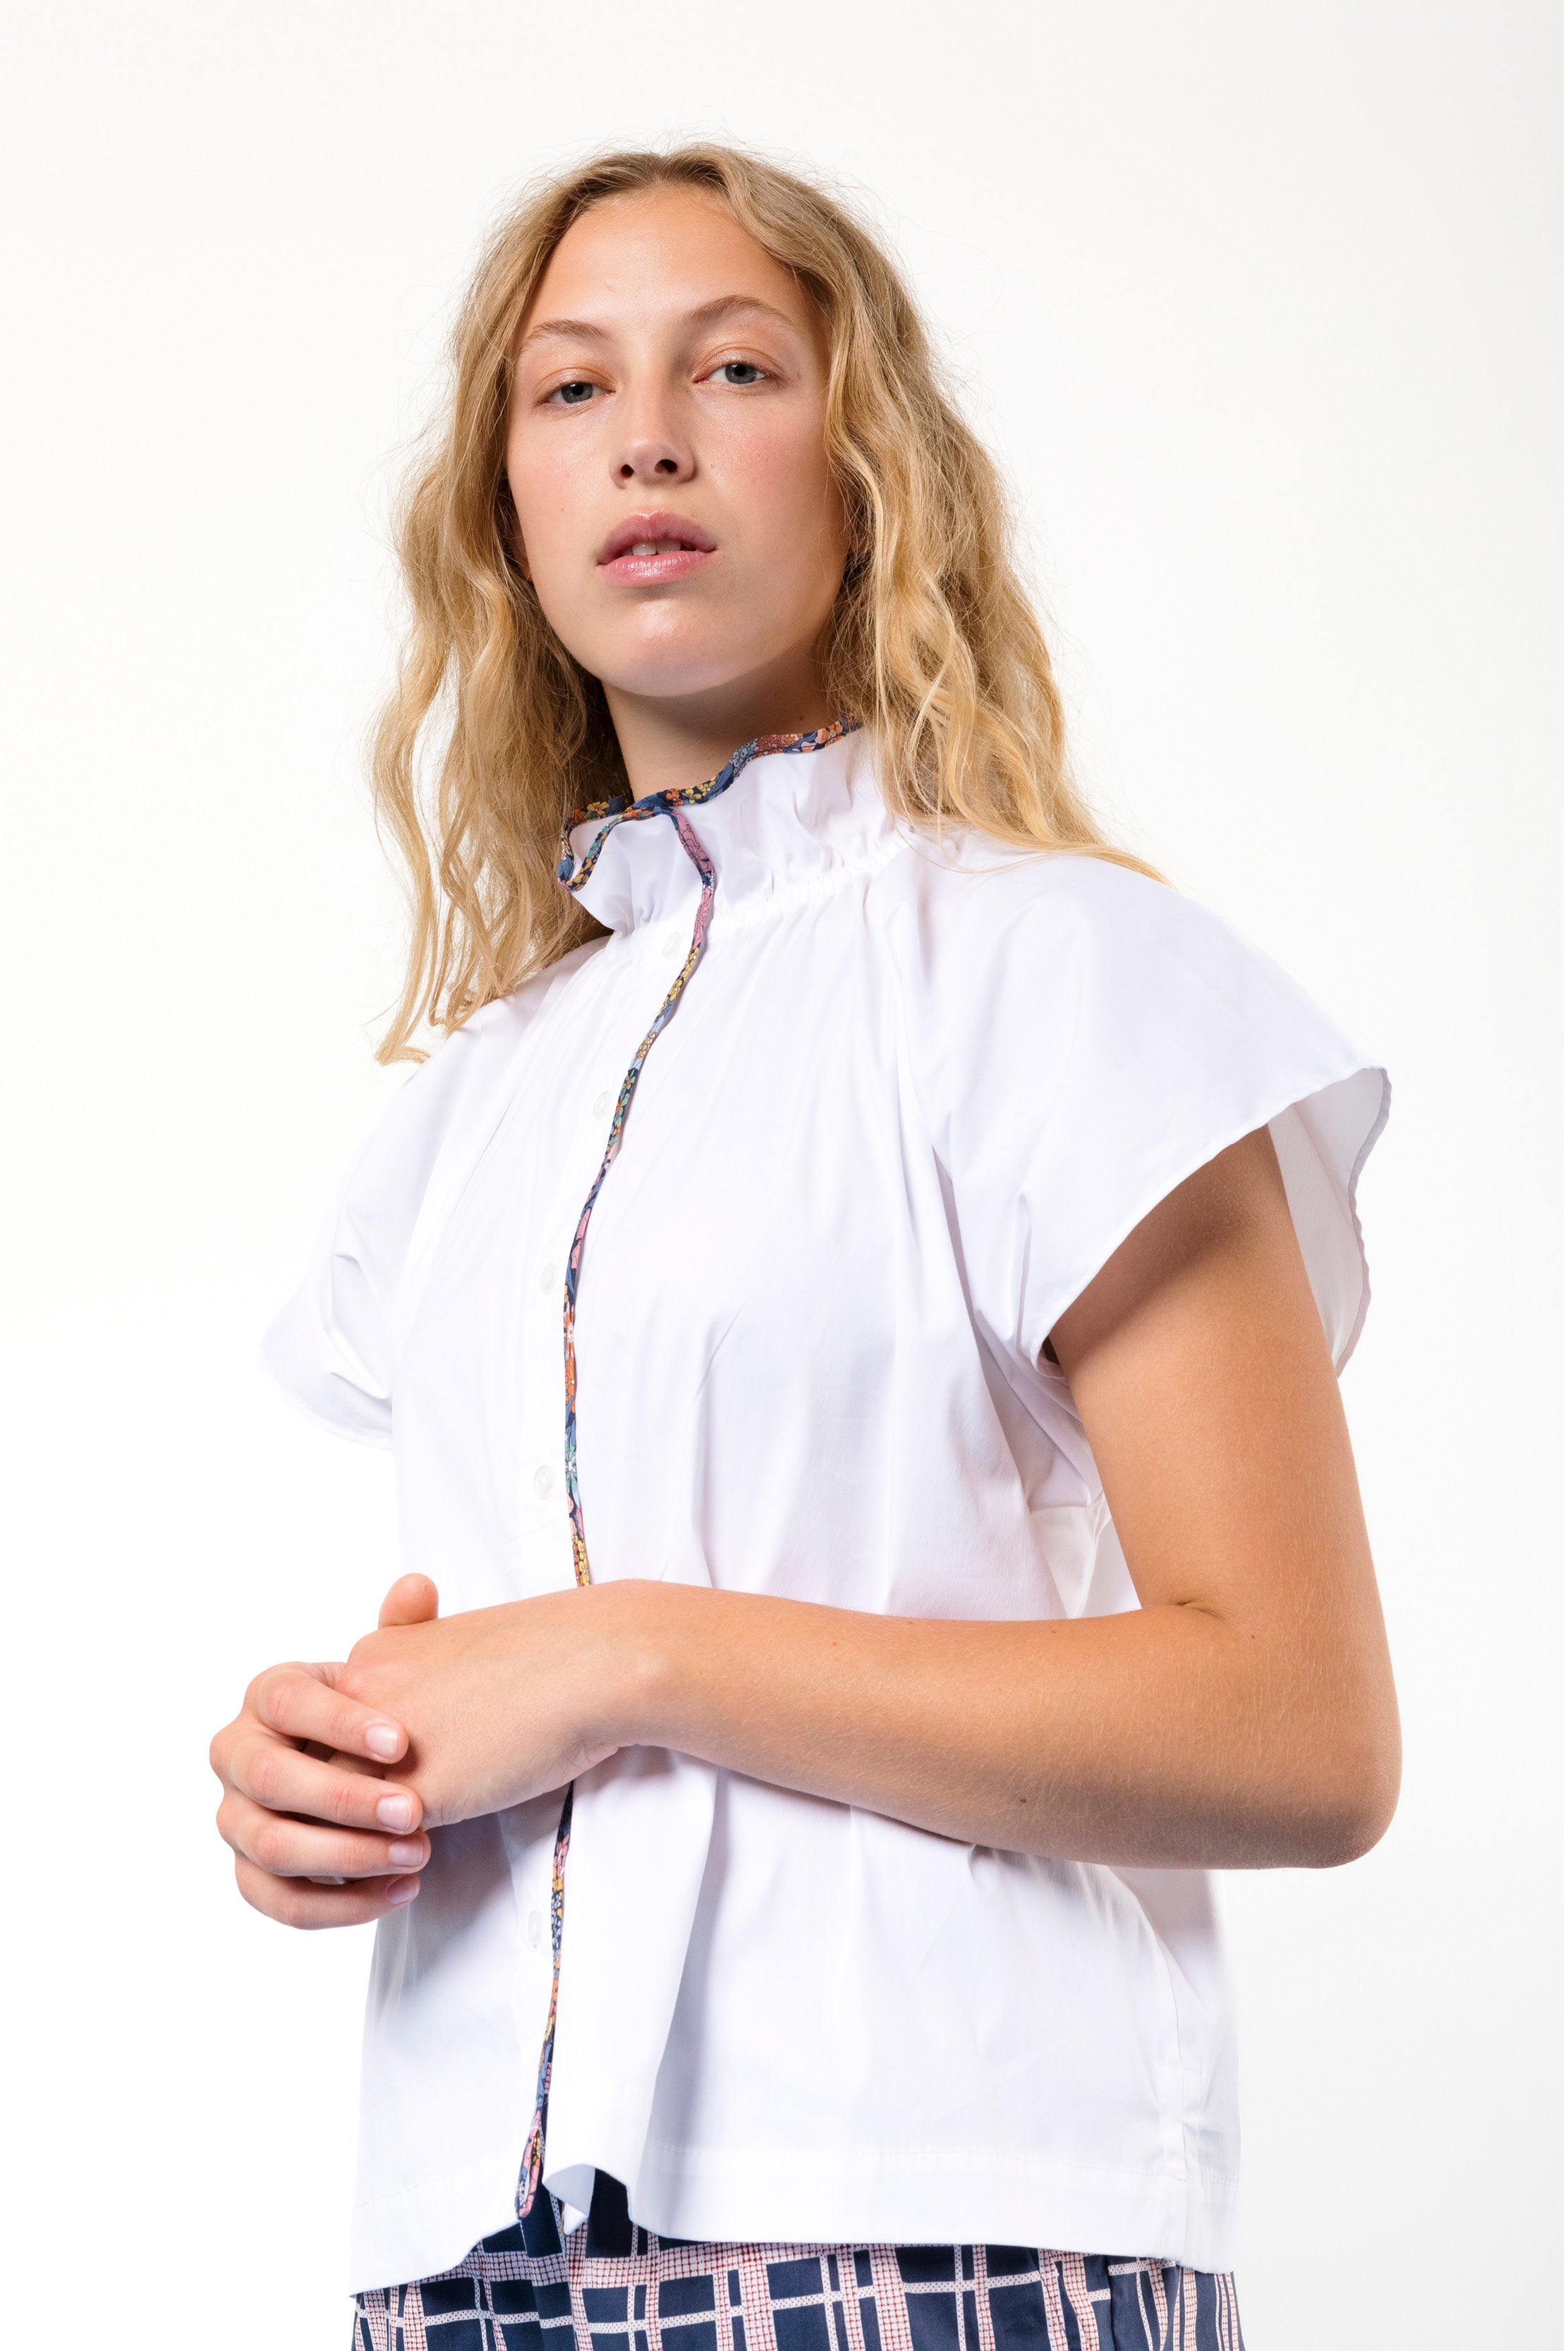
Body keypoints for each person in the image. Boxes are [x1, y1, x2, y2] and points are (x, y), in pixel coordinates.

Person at [209, 143, 1399, 2351]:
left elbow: (1301, 1729)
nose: (645, 432)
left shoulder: (1068, 986)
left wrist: (625, 1654)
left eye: (732, 364)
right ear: (504, 513)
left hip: (939, 2232)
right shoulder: (474, 1104)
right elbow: (498, 1698)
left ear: (868, 471)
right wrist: (330, 1787)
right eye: (569, 391)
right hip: (464, 2263)